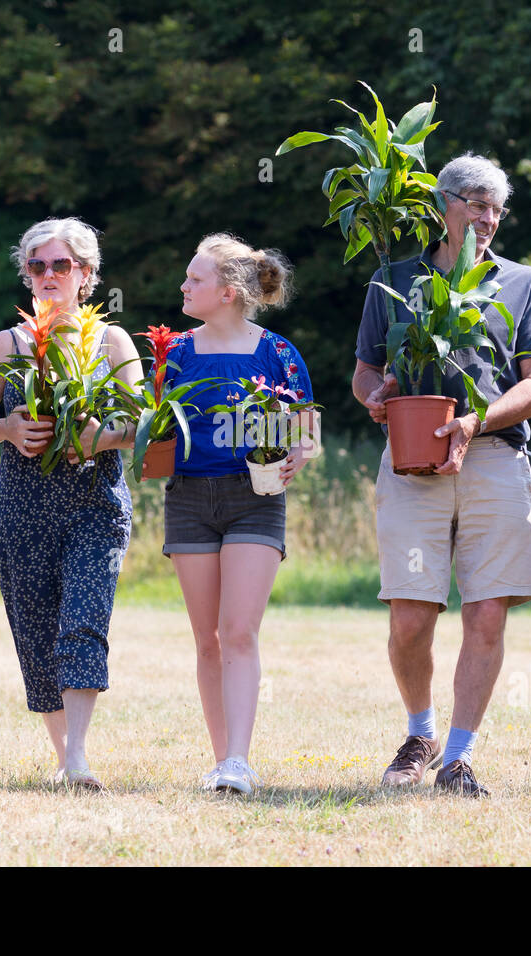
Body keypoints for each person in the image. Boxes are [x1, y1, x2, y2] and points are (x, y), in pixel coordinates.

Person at [353, 153, 531, 796]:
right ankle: (421, 731)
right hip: (413, 461)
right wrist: (374, 396)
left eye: (496, 208)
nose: (487, 217)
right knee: (411, 617)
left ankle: (460, 757)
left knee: (487, 613)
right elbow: (365, 371)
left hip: (494, 459)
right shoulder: (392, 279)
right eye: (475, 203)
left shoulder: (523, 284)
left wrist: (476, 422)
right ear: (442, 206)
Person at [0, 217, 141, 791]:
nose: (46, 275)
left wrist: (104, 436)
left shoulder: (111, 342)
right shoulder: (6, 344)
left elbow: (139, 422)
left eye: (59, 265)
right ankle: (65, 755)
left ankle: (79, 757)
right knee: (36, 631)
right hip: (23, 505)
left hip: (95, 501)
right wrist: (7, 430)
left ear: (85, 275)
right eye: (36, 265)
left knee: (83, 621)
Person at [165, 233, 318, 794]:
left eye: (195, 279)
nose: (183, 286)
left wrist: (298, 453)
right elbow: (151, 423)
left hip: (255, 497)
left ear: (227, 292)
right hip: (187, 498)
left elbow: (305, 427)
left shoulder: (277, 353)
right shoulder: (175, 352)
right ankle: (220, 760)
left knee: (239, 632)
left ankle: (238, 760)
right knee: (207, 638)